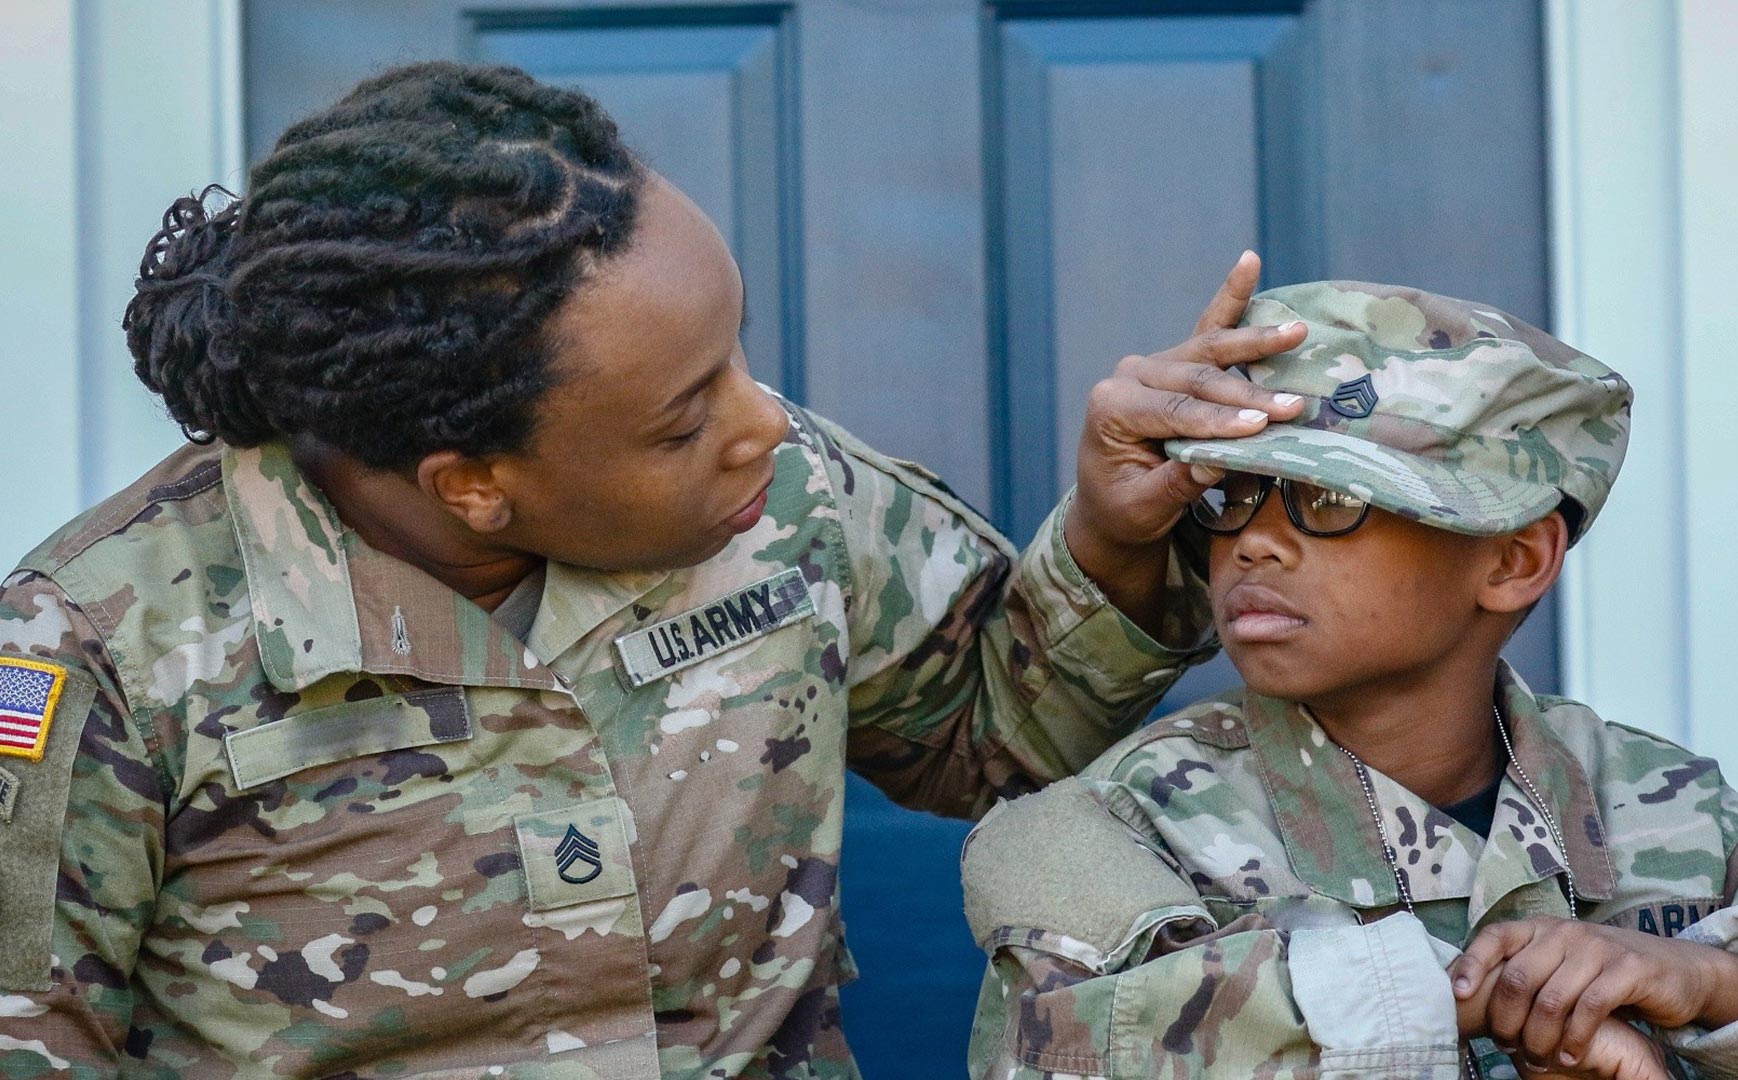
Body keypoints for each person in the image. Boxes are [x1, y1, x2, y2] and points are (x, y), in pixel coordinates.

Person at [0, 62, 1307, 1079]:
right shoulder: (105, 645)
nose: (765, 425)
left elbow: (992, 736)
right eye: (684, 417)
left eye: (737, 356)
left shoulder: (778, 495)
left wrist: (1112, 534)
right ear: (473, 483)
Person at [961, 281, 1738, 1079]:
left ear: (1512, 562)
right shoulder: (1129, 825)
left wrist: (1704, 981)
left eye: (1329, 500)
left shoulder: (1660, 803)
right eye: (1233, 494)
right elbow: (1071, 1049)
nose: (1253, 537)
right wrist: (1472, 1001)